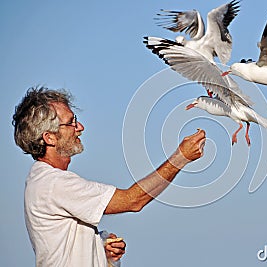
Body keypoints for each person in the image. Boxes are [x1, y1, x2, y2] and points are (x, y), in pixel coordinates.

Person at [13, 86, 206, 266]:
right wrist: (180, 158)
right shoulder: (53, 184)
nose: (80, 127)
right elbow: (133, 201)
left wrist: (103, 254)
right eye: (71, 122)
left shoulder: (45, 181)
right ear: (50, 137)